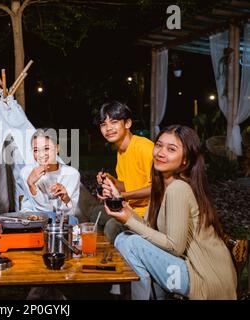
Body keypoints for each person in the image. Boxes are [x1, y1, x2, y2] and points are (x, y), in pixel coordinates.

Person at [103, 125, 237, 300]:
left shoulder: (178, 189)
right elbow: (148, 228)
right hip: (187, 267)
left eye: (171, 149)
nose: (160, 153)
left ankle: (133, 296)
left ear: (185, 160)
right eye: (158, 145)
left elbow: (175, 246)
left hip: (204, 277)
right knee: (124, 238)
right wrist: (124, 207)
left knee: (130, 243)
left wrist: (129, 220)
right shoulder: (161, 187)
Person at [95, 101, 154, 243]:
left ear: (127, 123)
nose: (108, 128)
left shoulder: (144, 147)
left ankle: (126, 260)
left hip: (149, 213)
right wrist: (111, 181)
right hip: (130, 207)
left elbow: (158, 188)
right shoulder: (121, 151)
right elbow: (126, 185)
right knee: (96, 215)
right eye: (103, 124)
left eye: (114, 122)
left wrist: (122, 196)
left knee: (111, 226)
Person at [20, 128, 80, 221]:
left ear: (57, 148)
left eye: (46, 148)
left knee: (72, 220)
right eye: (36, 150)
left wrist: (66, 199)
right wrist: (31, 185)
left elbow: (69, 215)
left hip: (61, 223)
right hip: (31, 221)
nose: (41, 155)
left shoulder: (72, 174)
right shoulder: (26, 173)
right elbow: (42, 212)